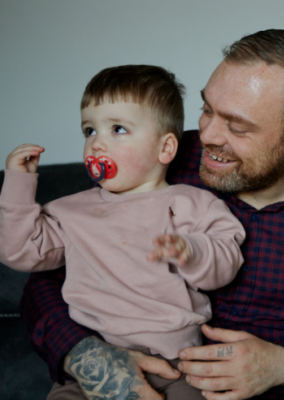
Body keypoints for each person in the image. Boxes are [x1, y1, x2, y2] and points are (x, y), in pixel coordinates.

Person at [20, 30, 284, 400]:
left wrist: (280, 365)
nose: (207, 135)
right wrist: (86, 355)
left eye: (236, 126)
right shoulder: (160, 157)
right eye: (207, 109)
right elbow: (47, 277)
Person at [1, 65, 246, 399]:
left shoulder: (195, 203)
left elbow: (226, 263)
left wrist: (193, 251)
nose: (97, 143)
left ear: (165, 148)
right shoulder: (69, 211)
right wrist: (17, 185)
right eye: (89, 130)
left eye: (117, 129)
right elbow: (20, 251)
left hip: (178, 366)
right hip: (92, 369)